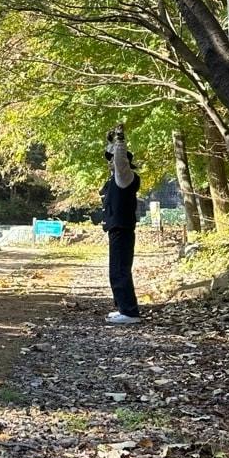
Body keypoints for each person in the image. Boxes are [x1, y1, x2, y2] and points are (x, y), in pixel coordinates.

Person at [102, 124, 142, 324]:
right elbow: (114, 158)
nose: (110, 164)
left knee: (120, 269)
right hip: (118, 228)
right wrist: (110, 143)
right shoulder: (118, 178)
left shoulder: (125, 177)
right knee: (116, 269)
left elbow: (119, 161)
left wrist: (119, 140)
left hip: (122, 228)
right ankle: (124, 307)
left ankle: (129, 311)